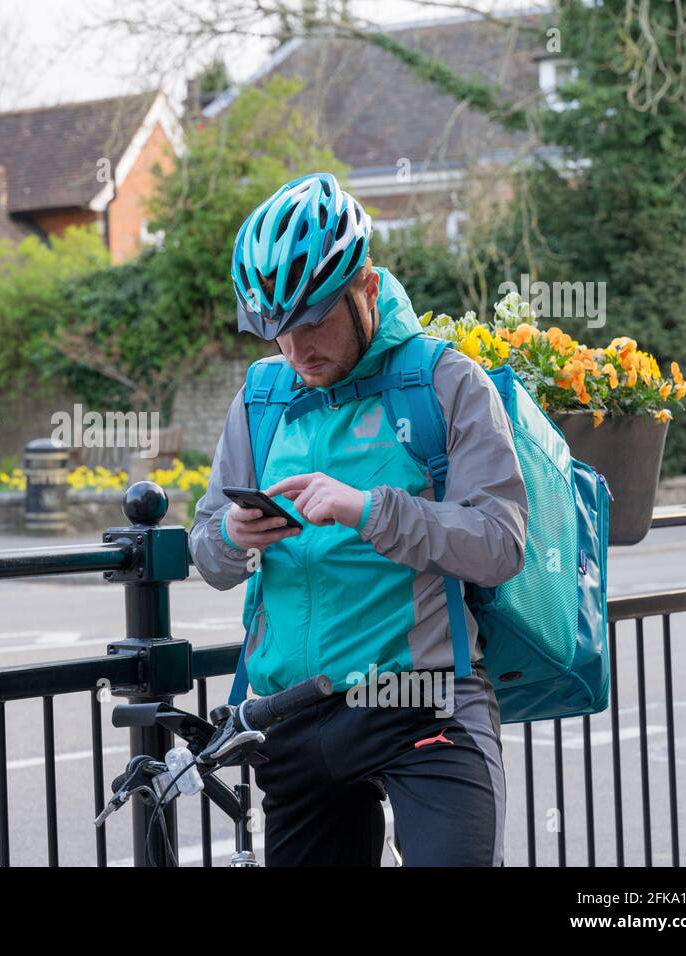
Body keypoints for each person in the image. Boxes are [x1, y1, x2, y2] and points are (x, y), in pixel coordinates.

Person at [189, 172, 528, 866]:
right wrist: (231, 534)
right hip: (294, 716)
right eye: (277, 330)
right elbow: (207, 550)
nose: (295, 350)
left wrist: (367, 510)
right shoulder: (260, 398)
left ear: (366, 287)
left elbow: (500, 543)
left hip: (423, 705)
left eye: (313, 321)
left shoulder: (443, 382)